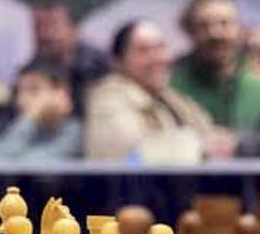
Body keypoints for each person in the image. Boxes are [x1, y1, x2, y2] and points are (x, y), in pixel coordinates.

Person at [86, 20, 220, 163]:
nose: (157, 58)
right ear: (119, 62)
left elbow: (208, 133)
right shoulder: (108, 99)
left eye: (161, 47)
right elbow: (130, 157)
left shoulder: (170, 97)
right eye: (143, 51)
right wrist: (201, 148)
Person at [170, 0, 260, 129]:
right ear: (191, 32)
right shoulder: (172, 89)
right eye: (204, 25)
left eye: (224, 23)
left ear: (239, 28)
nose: (215, 33)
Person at [30, 1, 111, 116]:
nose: (44, 34)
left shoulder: (102, 67)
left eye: (52, 26)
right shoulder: (31, 72)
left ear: (74, 30)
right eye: (38, 27)